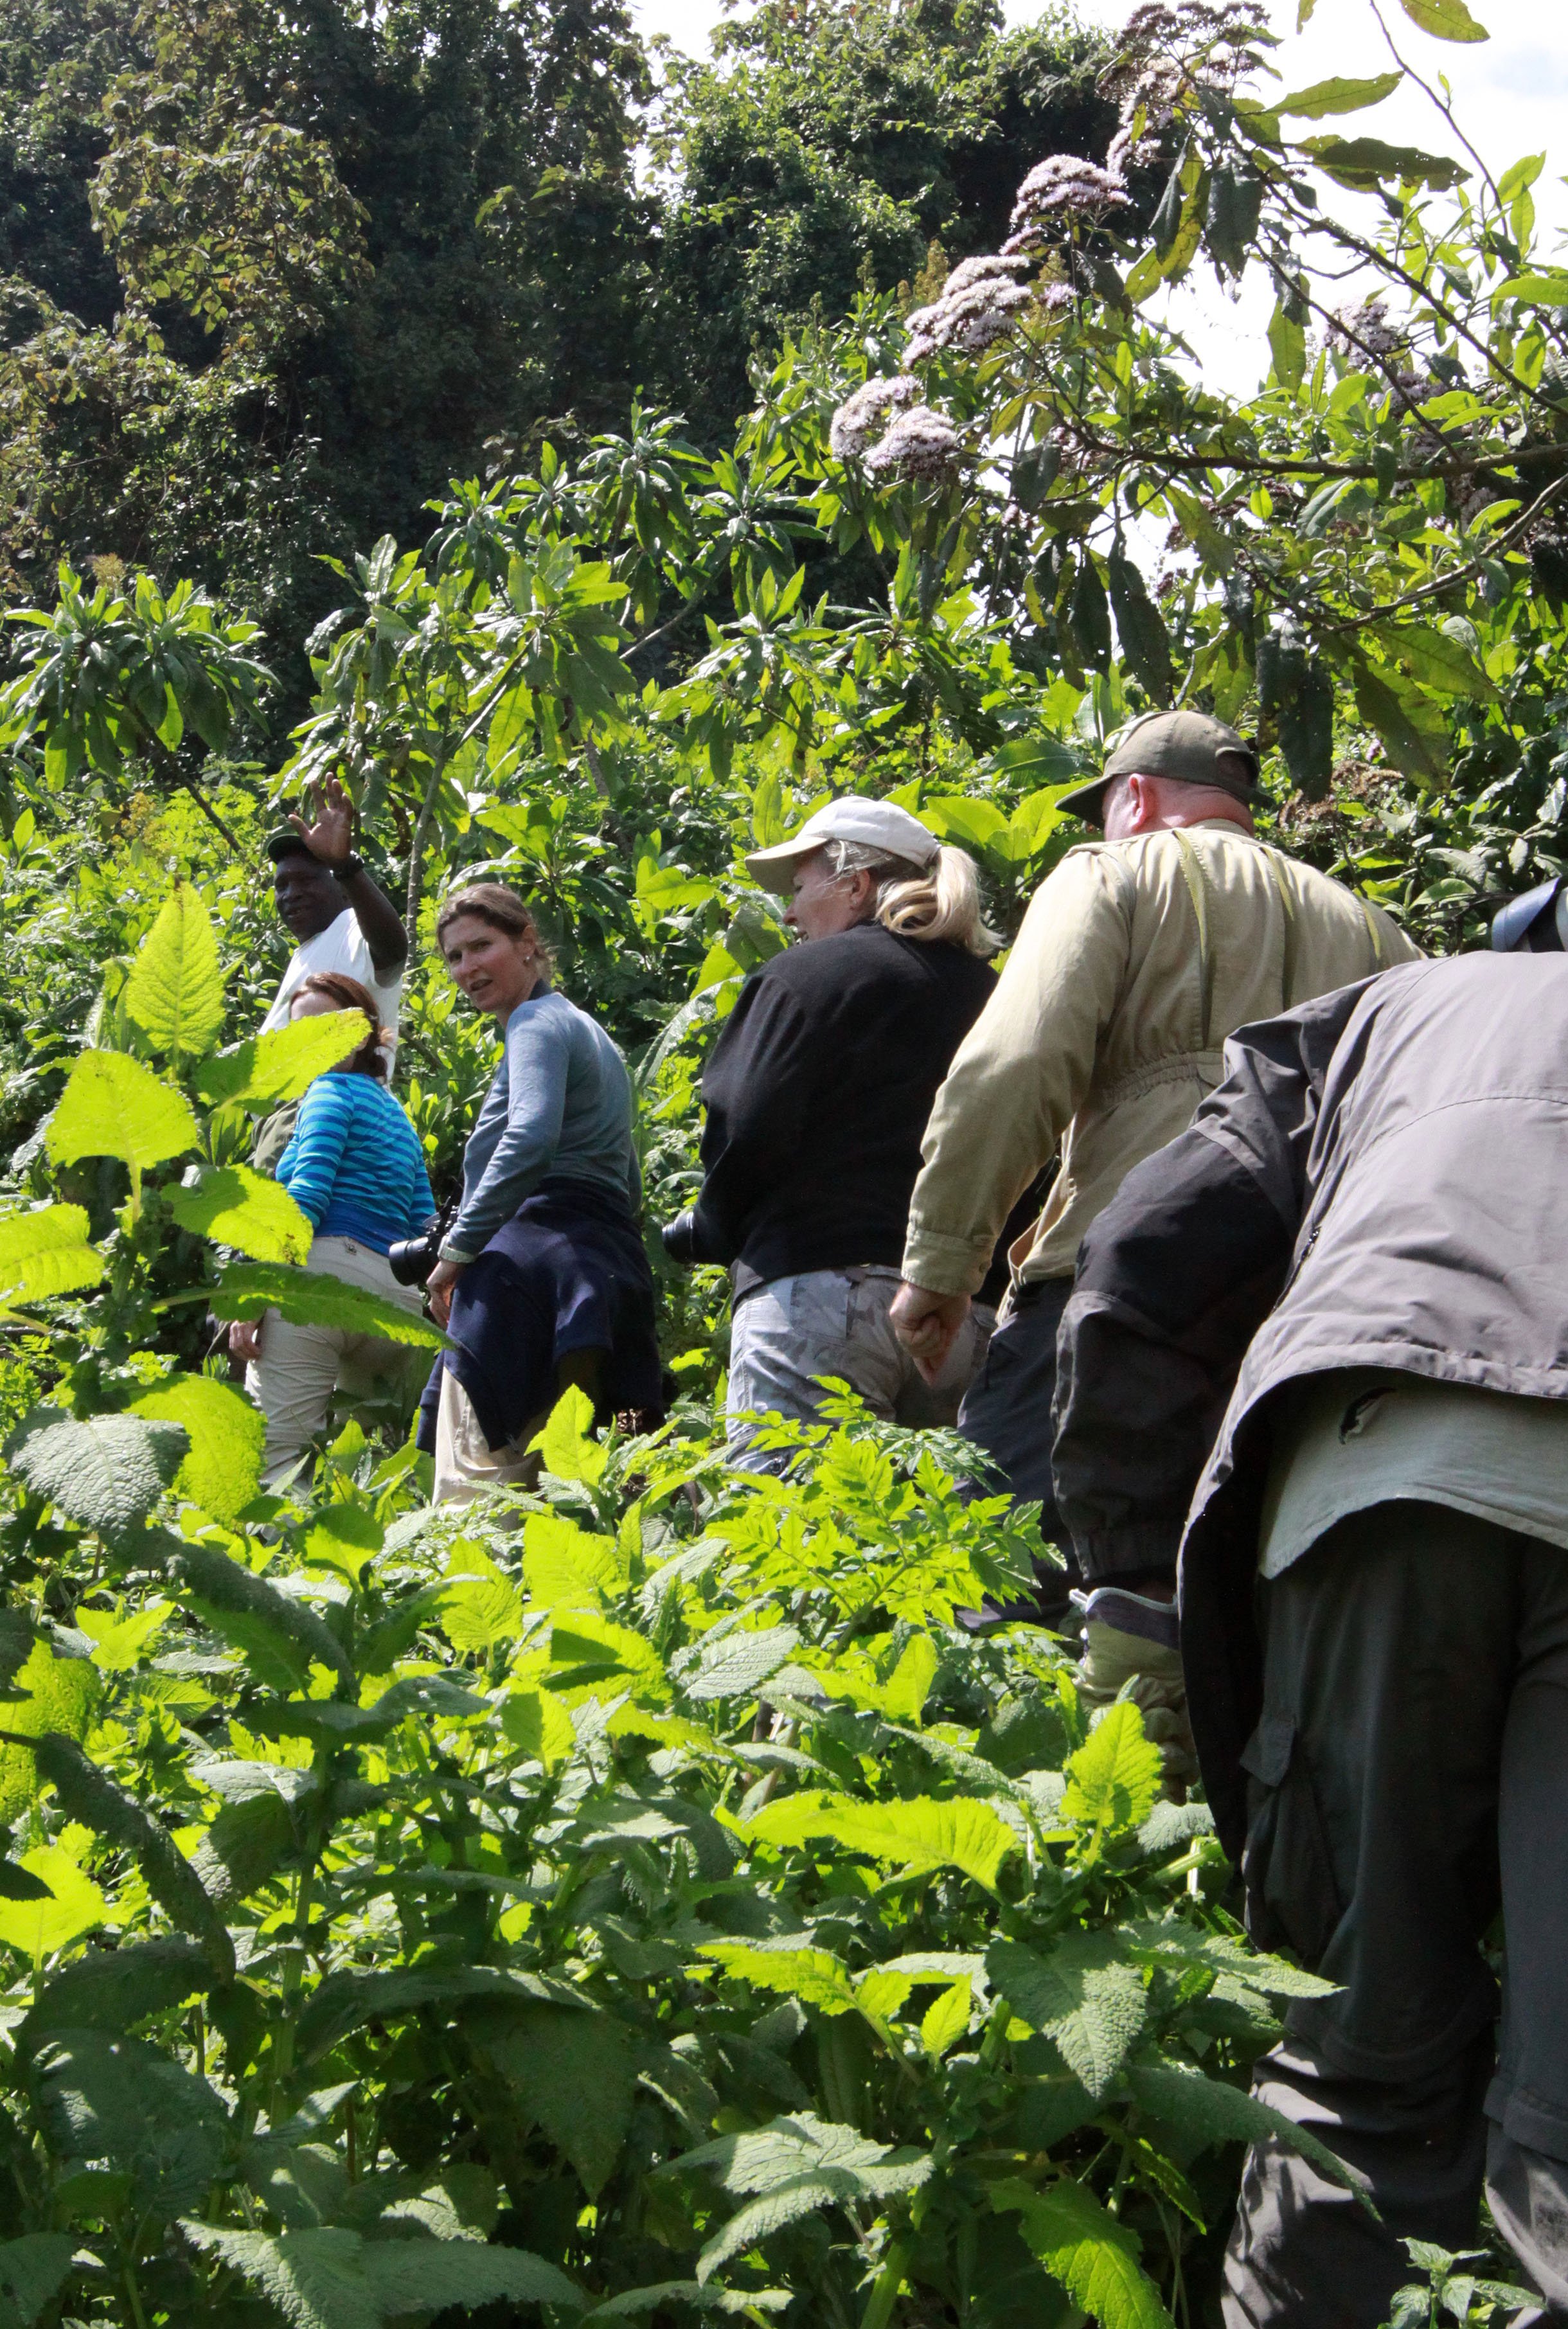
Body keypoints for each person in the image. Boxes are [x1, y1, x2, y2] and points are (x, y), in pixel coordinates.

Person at [1051, 949, 1568, 2326]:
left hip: (1377, 1468)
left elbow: (1140, 1261)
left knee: (1357, 2061)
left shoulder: (1375, 1015)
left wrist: (1131, 1593)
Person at [889, 708, 1420, 1642]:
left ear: (1132, 798)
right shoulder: (1381, 939)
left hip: (1117, 1296)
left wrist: (943, 1265)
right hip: (1319, 1324)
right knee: (1243, 1630)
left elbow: (1014, 1065)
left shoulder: (1114, 874)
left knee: (991, 1601)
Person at [661, 798, 1014, 1469]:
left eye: (798, 888)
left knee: (797, 1548)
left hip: (816, 1299)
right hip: (968, 1316)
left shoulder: (805, 978)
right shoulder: (999, 995)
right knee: (950, 1558)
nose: (789, 914)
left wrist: (712, 1227)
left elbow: (746, 1124)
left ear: (854, 885)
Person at [418, 884, 662, 1504]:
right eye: (454, 957)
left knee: (480, 1494)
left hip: (520, 1277)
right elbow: (627, 1177)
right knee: (609, 1486)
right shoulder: (590, 1033)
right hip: (603, 1276)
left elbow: (529, 1137)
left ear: (528, 943)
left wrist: (457, 1253)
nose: (467, 968)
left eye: (482, 945)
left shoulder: (534, 1022)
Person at [230, 972, 434, 1485]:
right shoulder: (398, 1116)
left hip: (321, 1288)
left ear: (365, 1034)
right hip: (392, 1304)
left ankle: (274, 1562)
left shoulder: (326, 1093)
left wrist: (255, 1294)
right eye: (303, 1031)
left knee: (278, 1460)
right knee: (357, 1473)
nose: (315, 1044)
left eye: (330, 1027)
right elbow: (425, 1222)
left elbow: (307, 1198)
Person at [262, 776, 409, 1040]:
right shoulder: (305, 955)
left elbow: (392, 950)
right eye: (282, 885)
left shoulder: (352, 928)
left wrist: (345, 867)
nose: (292, 894)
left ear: (341, 888)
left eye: (306, 881)